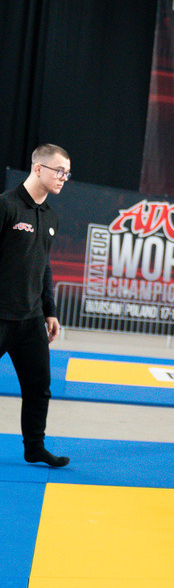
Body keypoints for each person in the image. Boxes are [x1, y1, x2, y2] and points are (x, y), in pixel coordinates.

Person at [0, 144, 70, 467]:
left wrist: (50, 310)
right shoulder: (6, 206)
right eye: (59, 171)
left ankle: (34, 447)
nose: (63, 178)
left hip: (30, 321)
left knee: (40, 386)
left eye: (67, 173)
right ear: (38, 168)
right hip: (1, 316)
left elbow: (43, 265)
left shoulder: (50, 216)